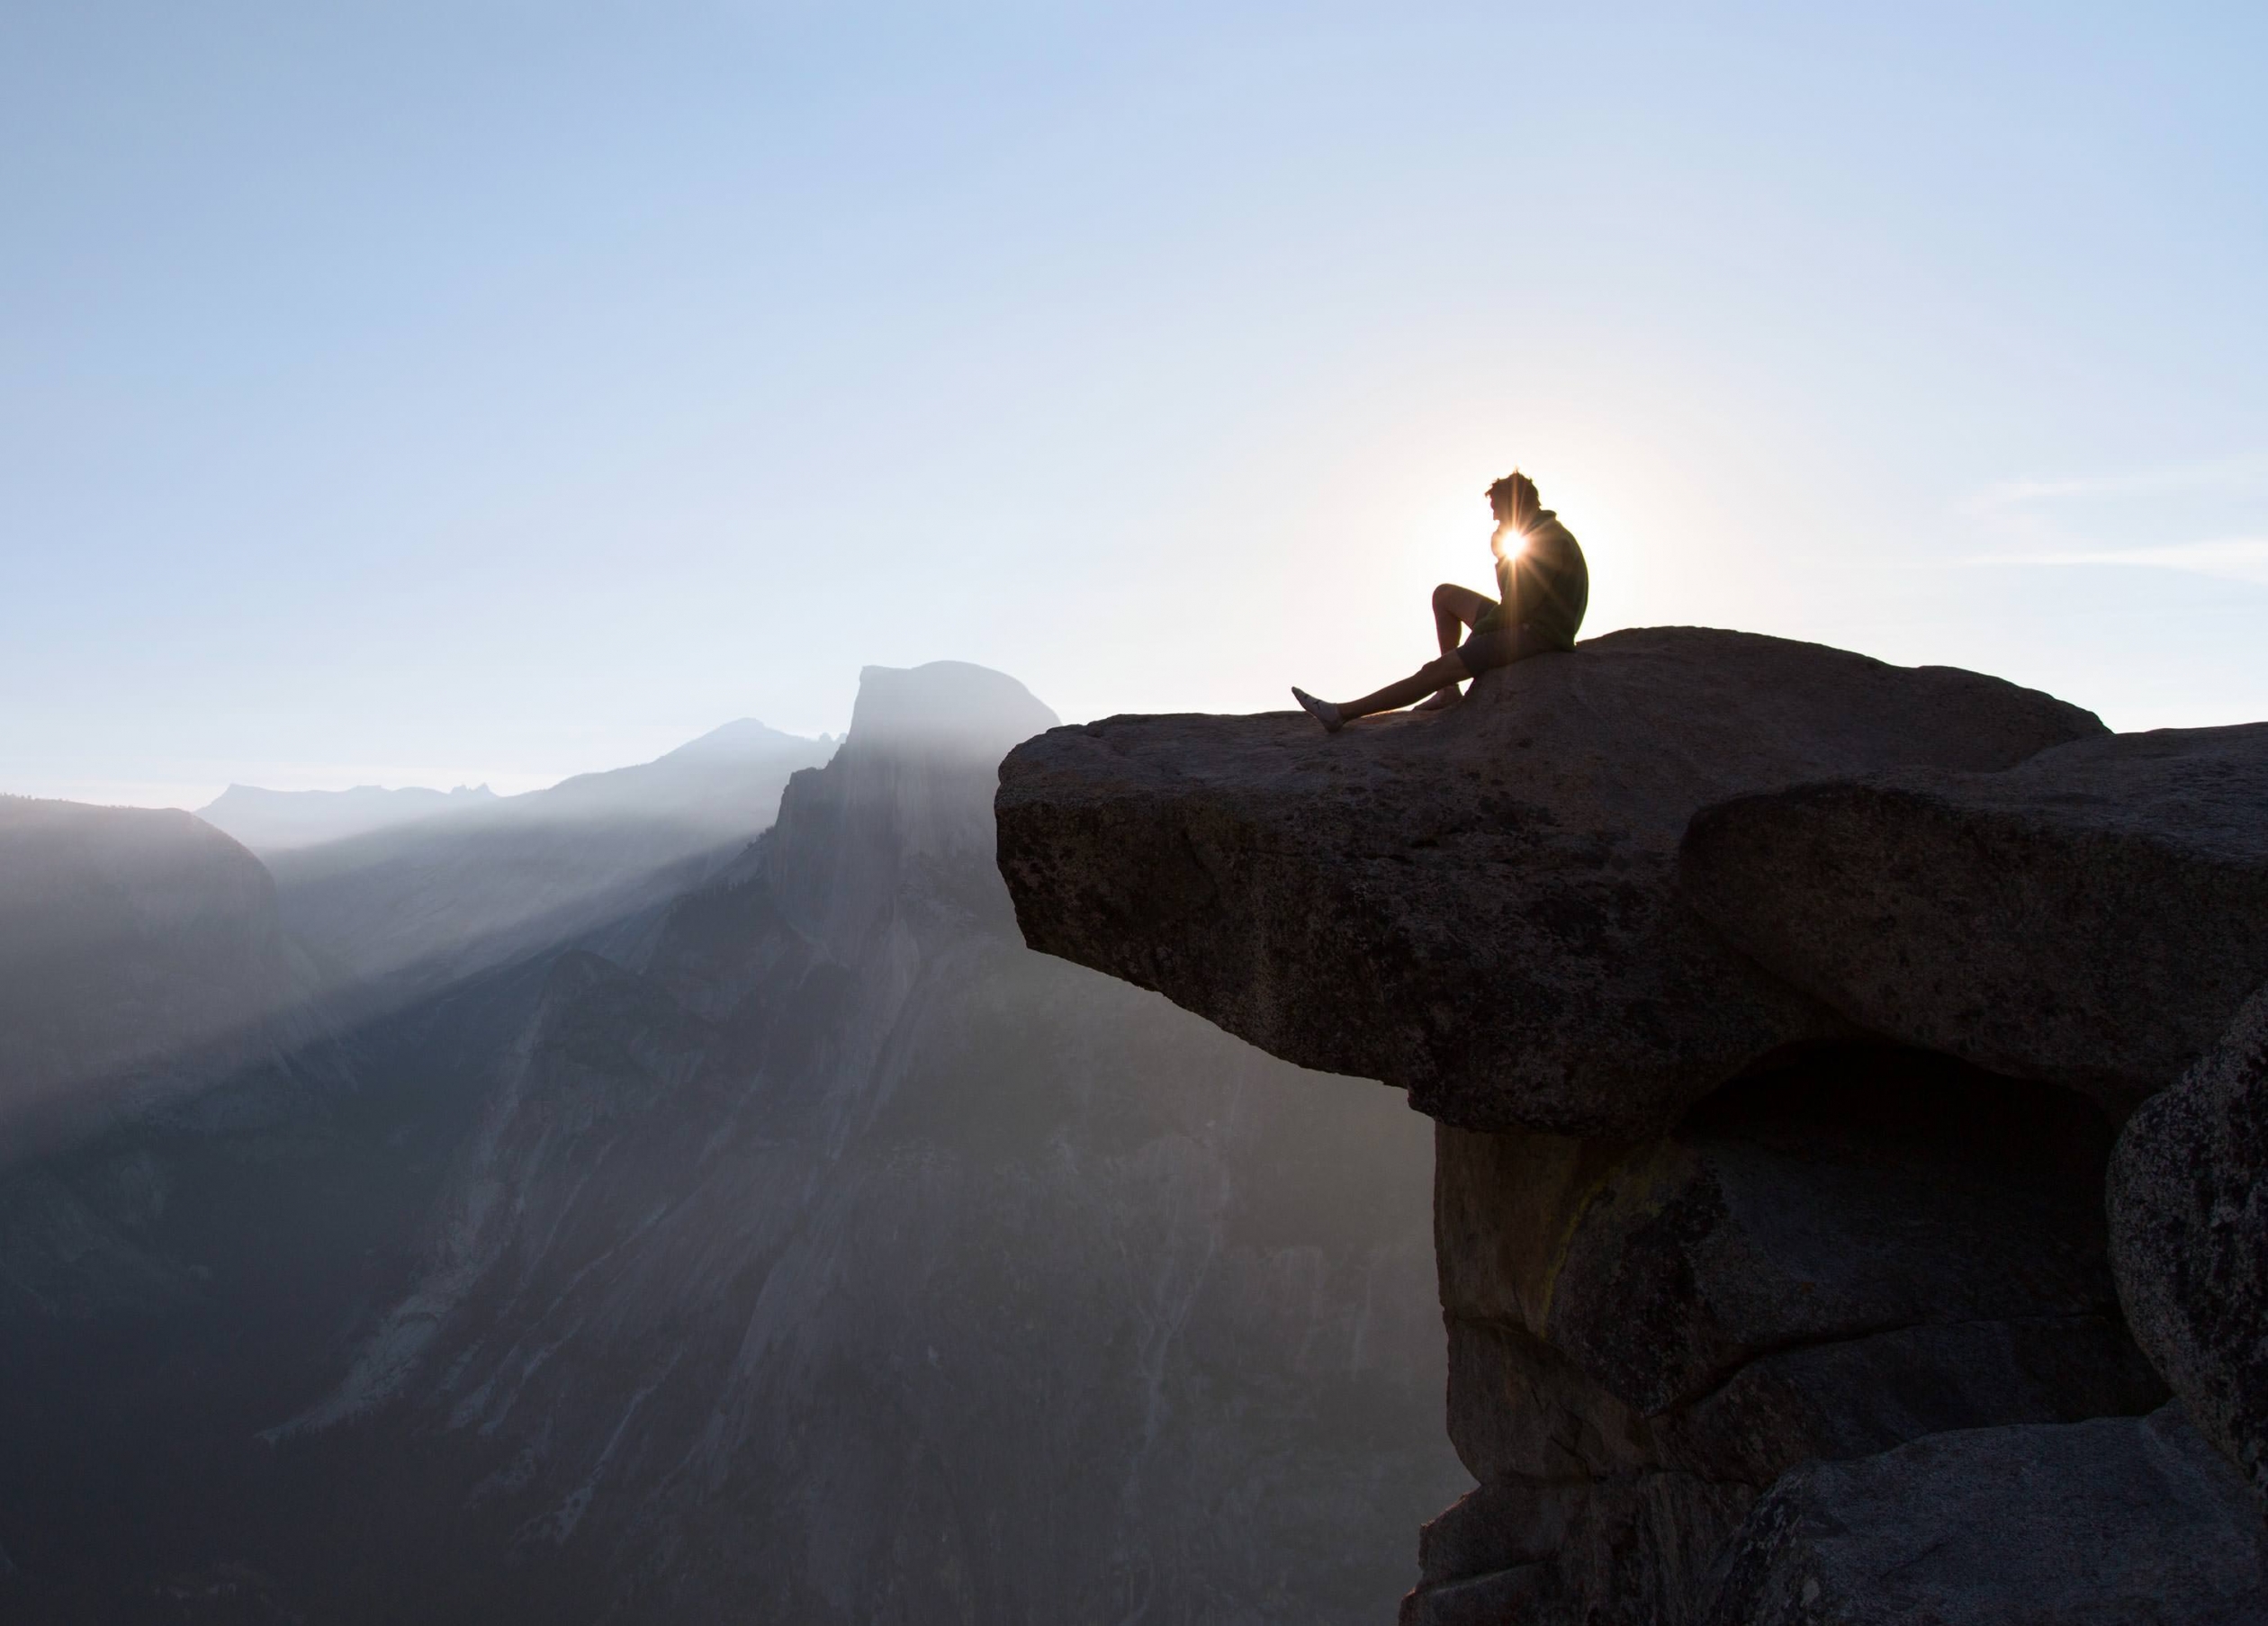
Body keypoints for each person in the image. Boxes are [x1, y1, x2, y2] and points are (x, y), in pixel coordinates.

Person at [1292, 470, 1588, 732]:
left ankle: (1341, 713)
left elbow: (1516, 607)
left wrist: (1480, 634)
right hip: (1527, 618)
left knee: (1436, 668)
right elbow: (1512, 597)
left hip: (1539, 633)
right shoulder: (1537, 534)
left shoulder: (1546, 540)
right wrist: (1501, 556)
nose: (1495, 518)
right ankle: (1448, 691)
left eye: (1498, 510)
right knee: (1445, 595)